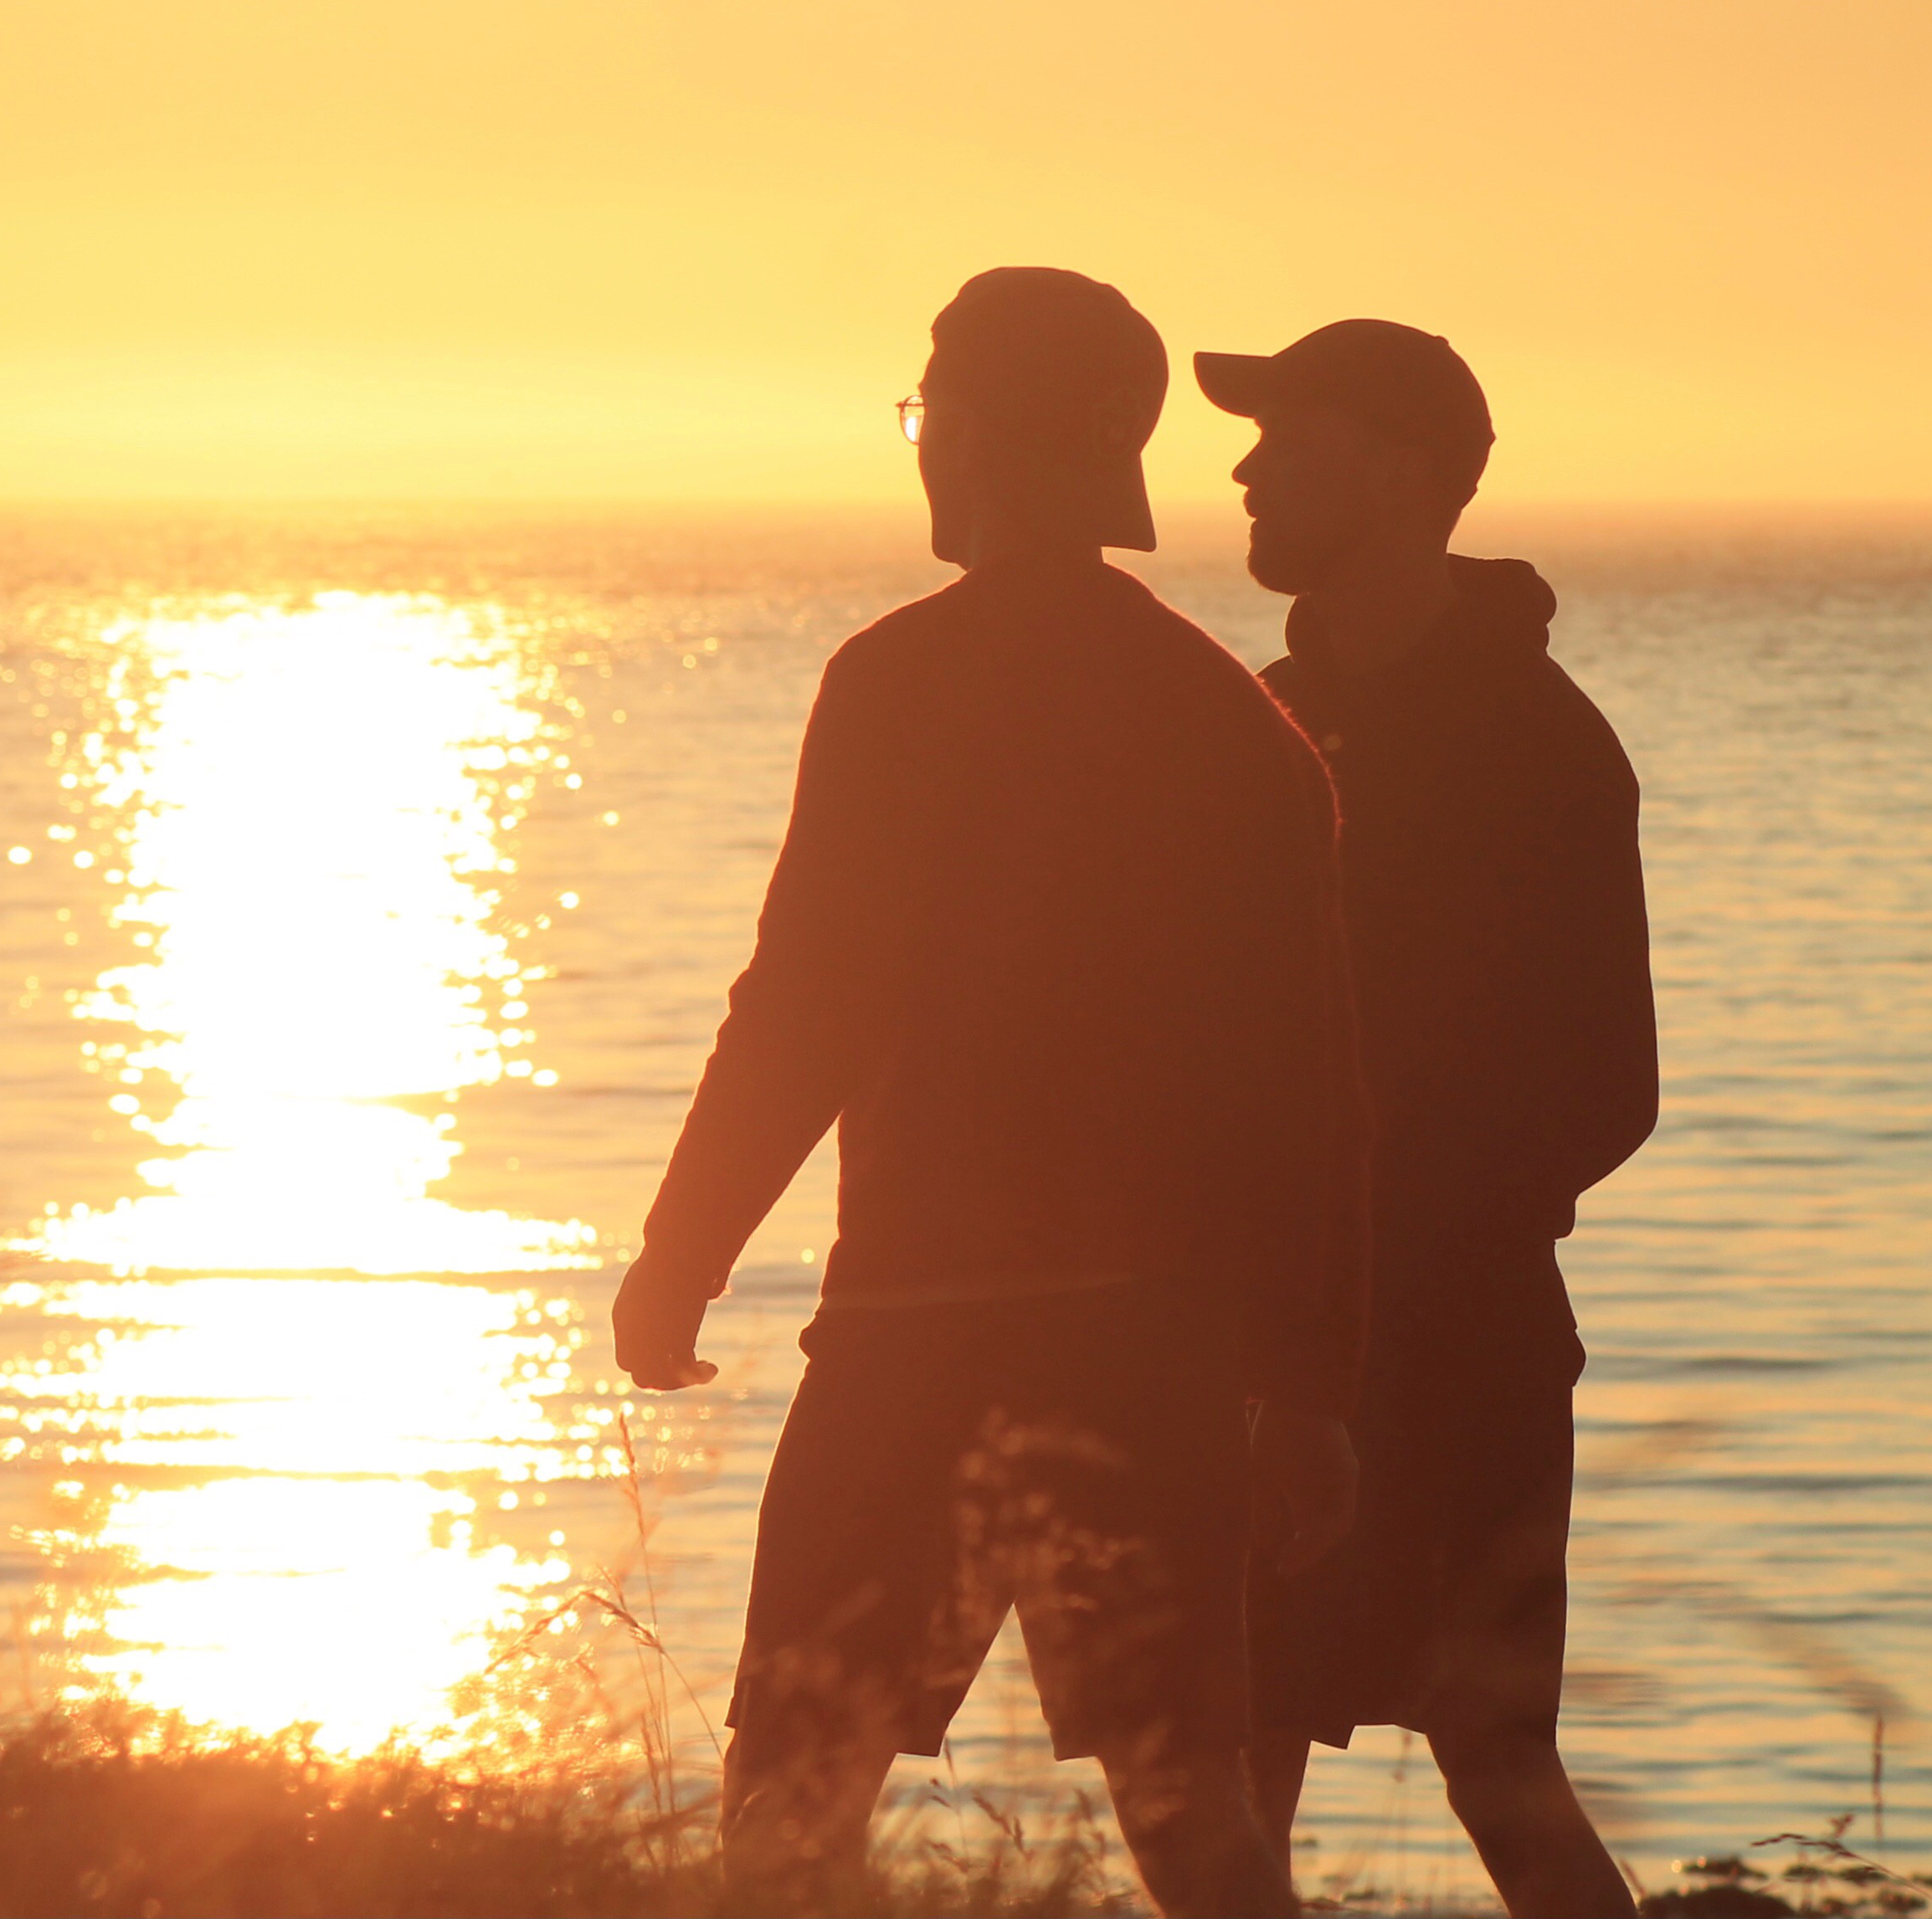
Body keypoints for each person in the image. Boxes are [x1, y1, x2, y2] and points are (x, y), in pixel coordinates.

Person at [614, 268, 1374, 1918]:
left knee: (788, 1794)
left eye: (932, 407)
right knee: (1193, 1814)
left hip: (919, 1339)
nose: (920, 445)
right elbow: (1305, 1092)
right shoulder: (1235, 732)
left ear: (998, 433)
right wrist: (1304, 1380)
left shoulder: (898, 682)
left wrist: (680, 1254)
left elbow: (802, 999)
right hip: (1151, 1355)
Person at [1203, 323, 1653, 1918]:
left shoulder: (1539, 745)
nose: (1242, 468)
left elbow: (1610, 1088)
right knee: (1229, 1755)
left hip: (1459, 1341)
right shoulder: (1258, 718)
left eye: (1287, 438)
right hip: (1268, 1334)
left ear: (1403, 474)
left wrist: (1381, 1251)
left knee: (1490, 1760)